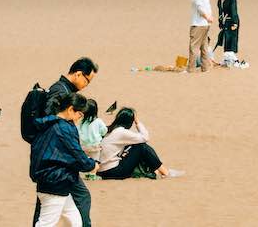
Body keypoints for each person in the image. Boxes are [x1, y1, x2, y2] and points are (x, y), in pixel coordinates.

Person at [29, 92, 98, 227]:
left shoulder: (48, 123)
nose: (80, 117)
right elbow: (77, 154)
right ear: (71, 109)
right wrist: (92, 165)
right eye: (80, 114)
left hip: (51, 180)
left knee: (75, 219)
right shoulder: (64, 128)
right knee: (46, 223)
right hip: (55, 181)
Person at [97, 107, 180, 179]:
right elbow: (145, 138)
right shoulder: (121, 132)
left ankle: (156, 170)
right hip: (113, 172)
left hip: (100, 171)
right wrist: (137, 122)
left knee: (134, 144)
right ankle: (165, 172)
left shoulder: (109, 130)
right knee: (141, 146)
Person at [187, 0, 212, 73]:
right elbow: (208, 7)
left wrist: (207, 17)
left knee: (193, 47)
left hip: (198, 24)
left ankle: (191, 69)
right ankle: (205, 68)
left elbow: (200, 7)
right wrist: (209, 18)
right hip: (205, 25)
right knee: (204, 47)